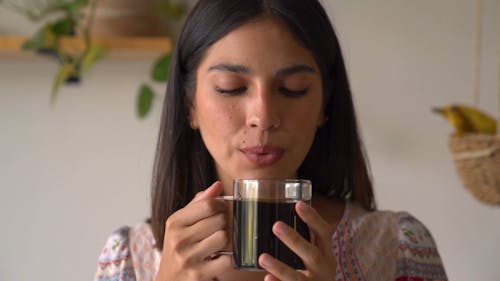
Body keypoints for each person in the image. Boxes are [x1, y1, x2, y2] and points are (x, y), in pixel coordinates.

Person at [94, 0, 448, 280]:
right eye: (231, 88)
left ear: (325, 103)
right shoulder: (130, 258)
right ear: (190, 107)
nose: (262, 117)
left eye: (292, 90)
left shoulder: (400, 248)